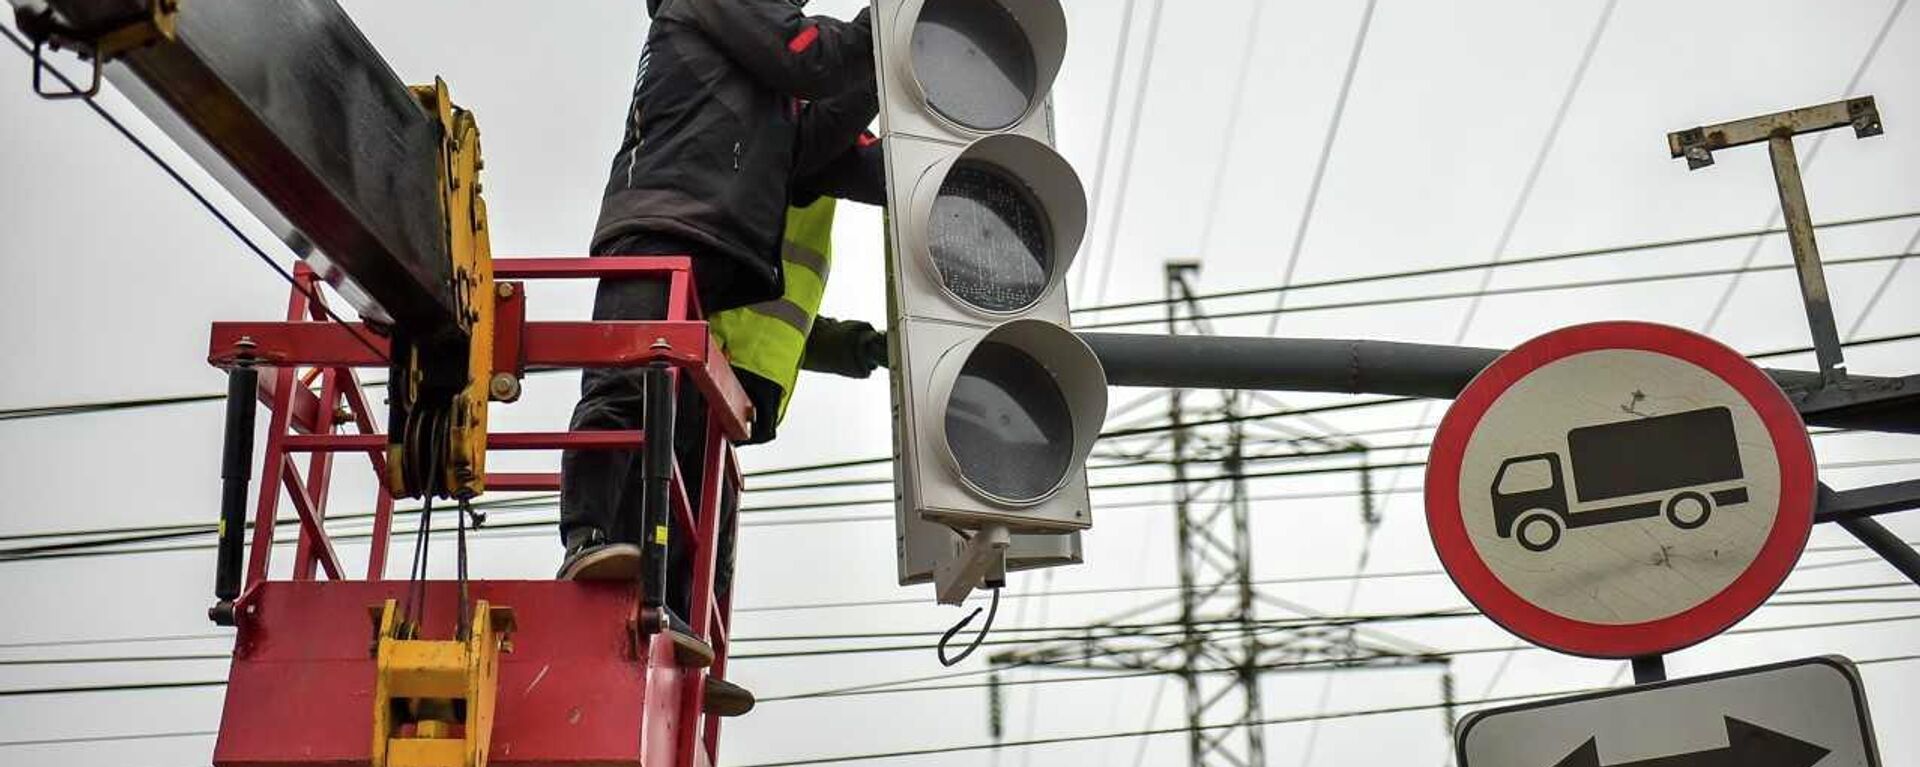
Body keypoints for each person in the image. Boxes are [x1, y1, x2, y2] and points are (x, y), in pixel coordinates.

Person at [557, 0, 884, 716]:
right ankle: (588, 537)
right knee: (625, 382)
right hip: (664, 220)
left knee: (699, 463)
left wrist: (892, 72)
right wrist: (893, 21)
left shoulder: (761, 74)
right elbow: (811, 55)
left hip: (708, 244)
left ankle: (675, 620)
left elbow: (814, 142)